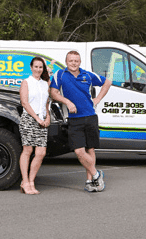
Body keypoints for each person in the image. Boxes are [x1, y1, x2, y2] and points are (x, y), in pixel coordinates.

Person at [49, 50, 111, 192]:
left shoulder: (87, 75)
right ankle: (97, 174)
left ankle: (90, 181)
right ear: (66, 62)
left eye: (76, 61)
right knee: (79, 151)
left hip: (90, 116)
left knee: (90, 149)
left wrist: (98, 99)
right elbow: (53, 93)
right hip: (73, 119)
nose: (73, 63)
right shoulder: (60, 75)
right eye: (71, 60)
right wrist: (67, 102)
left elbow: (107, 82)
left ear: (80, 62)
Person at [18, 57, 51, 195]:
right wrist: (37, 118)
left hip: (42, 120)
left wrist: (48, 117)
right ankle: (25, 182)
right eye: (36, 67)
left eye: (40, 67)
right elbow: (24, 103)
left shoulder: (45, 84)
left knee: (41, 152)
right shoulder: (26, 82)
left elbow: (46, 104)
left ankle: (31, 181)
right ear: (31, 67)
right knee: (28, 150)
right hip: (29, 119)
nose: (38, 69)